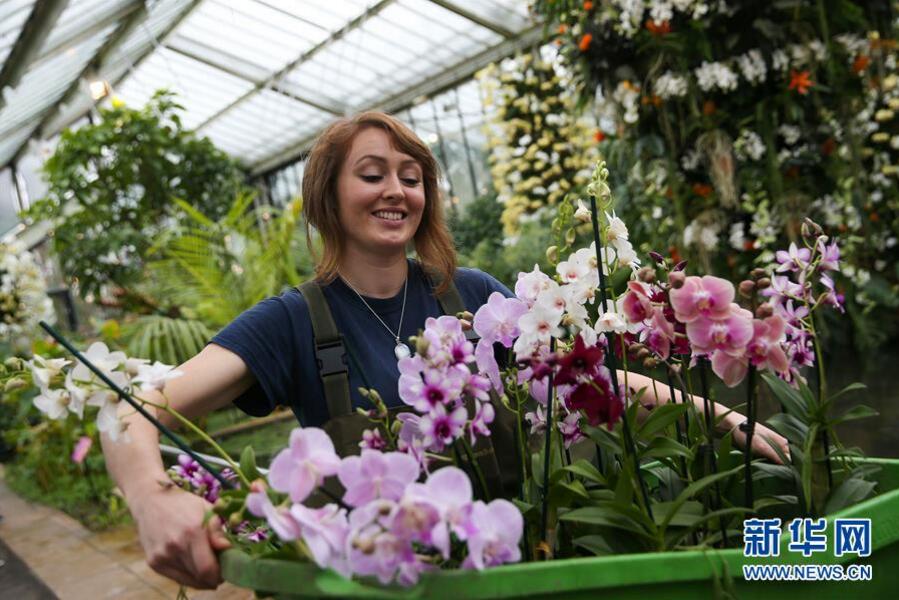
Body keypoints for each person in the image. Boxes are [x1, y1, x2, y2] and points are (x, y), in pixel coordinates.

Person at [101, 111, 789, 590]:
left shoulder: (474, 295)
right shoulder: (290, 322)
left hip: (510, 573)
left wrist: (714, 414)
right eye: (371, 174)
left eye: (411, 175)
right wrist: (150, 495)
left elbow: (590, 378)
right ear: (327, 195)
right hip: (378, 587)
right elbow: (134, 405)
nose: (396, 189)